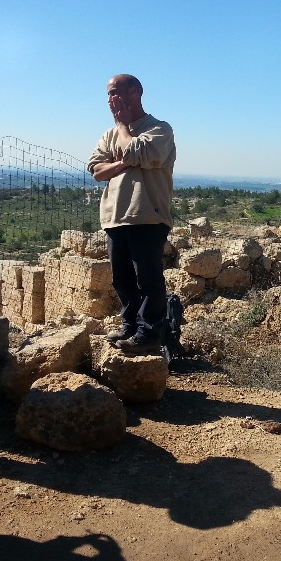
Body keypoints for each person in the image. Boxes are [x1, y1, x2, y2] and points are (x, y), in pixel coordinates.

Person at [88, 74, 175, 356]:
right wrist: (125, 161)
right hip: (115, 216)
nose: (110, 100)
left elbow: (138, 151)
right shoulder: (108, 135)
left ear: (135, 91)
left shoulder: (159, 129)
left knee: (148, 279)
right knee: (121, 279)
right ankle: (129, 326)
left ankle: (149, 332)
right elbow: (96, 171)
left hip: (148, 215)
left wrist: (123, 128)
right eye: (108, 95)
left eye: (115, 92)